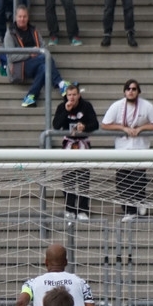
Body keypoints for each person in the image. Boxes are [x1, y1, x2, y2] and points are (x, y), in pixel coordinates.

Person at [100, 79, 153, 221]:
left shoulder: (146, 106)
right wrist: (122, 128)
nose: (131, 91)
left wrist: (141, 128)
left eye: (134, 89)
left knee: (138, 179)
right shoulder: (117, 106)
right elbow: (105, 124)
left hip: (140, 148)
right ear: (124, 91)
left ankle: (139, 202)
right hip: (122, 149)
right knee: (122, 181)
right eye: (128, 89)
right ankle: (129, 210)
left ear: (138, 91)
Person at [4, 5, 68, 109]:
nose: (22, 19)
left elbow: (44, 48)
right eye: (20, 16)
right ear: (15, 17)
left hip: (36, 63)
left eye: (24, 16)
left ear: (28, 17)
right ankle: (60, 83)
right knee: (44, 58)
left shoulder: (33, 30)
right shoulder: (10, 33)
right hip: (17, 67)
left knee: (44, 67)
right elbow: (11, 57)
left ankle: (30, 96)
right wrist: (30, 53)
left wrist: (37, 53)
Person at [52, 83, 98, 219]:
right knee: (68, 177)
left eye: (74, 95)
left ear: (79, 95)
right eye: (69, 95)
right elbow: (56, 125)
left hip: (83, 143)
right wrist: (66, 111)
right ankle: (70, 209)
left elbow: (95, 124)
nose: (71, 97)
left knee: (83, 177)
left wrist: (84, 127)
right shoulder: (62, 106)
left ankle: (83, 210)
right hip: (69, 143)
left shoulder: (86, 106)